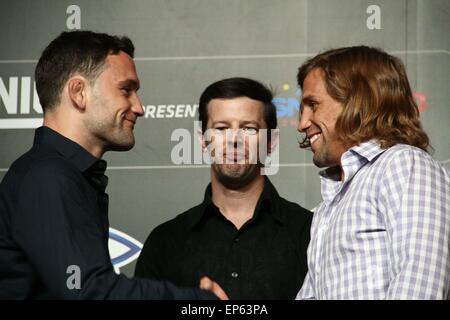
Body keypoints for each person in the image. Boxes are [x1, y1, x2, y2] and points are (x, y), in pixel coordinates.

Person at [0, 30, 227, 300]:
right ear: (78, 92)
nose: (139, 107)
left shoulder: (63, 175)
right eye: (126, 90)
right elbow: (87, 292)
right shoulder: (47, 177)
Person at [135, 77, 313, 299]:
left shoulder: (309, 233)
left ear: (271, 142)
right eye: (221, 128)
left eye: (249, 128)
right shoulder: (165, 242)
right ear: (202, 140)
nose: (233, 140)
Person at [295, 46, 450, 300]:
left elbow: (420, 287)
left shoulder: (404, 165)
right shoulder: (327, 208)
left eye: (313, 105)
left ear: (358, 101)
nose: (302, 123)